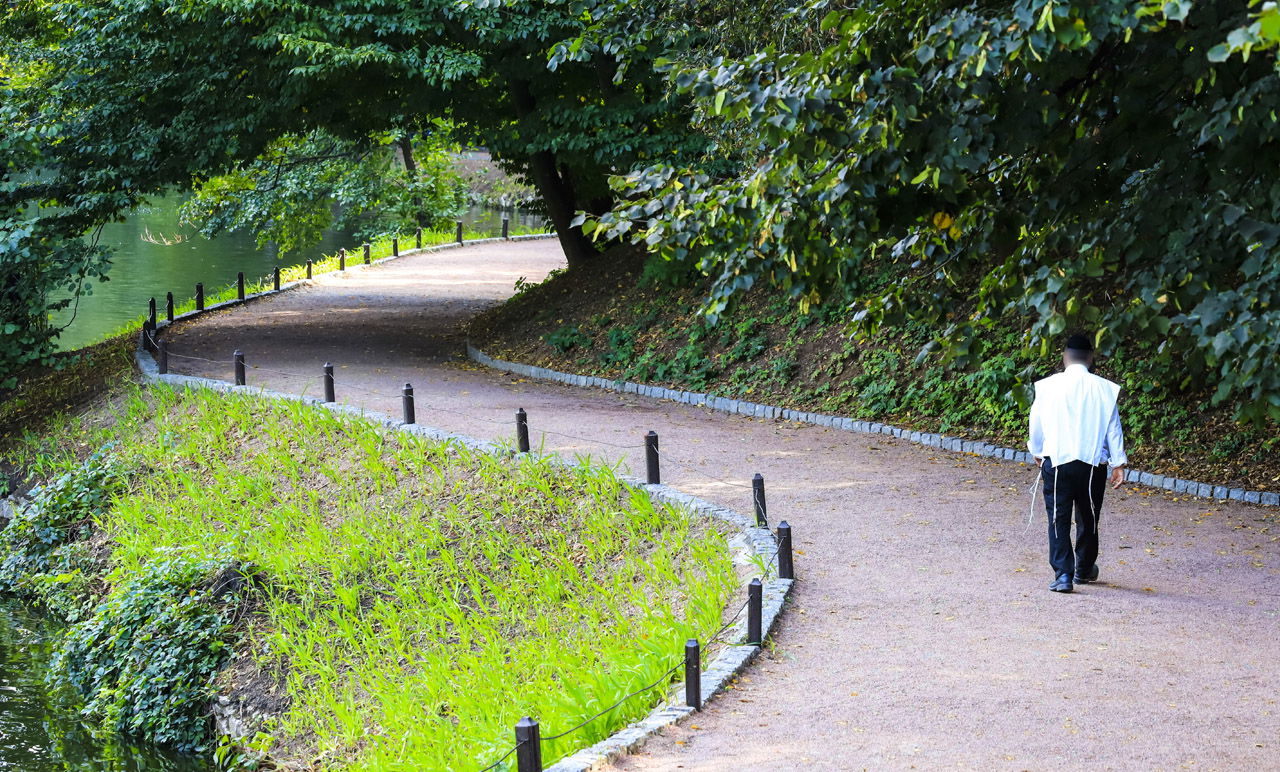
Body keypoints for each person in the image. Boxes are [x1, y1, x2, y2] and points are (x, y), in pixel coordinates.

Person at [1027, 333, 1127, 593]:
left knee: (1058, 518)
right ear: (1091, 358)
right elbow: (1112, 429)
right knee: (1089, 516)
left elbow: (1035, 422)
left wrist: (1037, 450)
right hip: (1092, 463)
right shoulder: (1105, 388)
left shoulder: (1047, 386)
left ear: (1064, 357)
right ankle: (1083, 568)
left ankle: (1063, 575)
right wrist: (1118, 463)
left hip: (1057, 461)